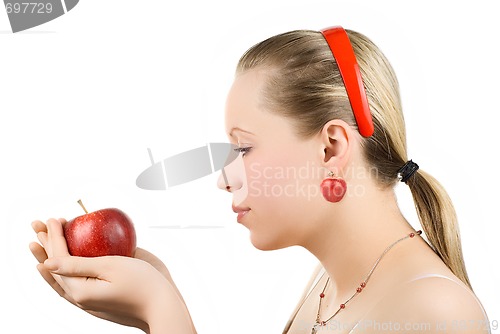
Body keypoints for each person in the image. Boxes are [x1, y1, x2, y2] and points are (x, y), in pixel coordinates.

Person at [30, 26, 490, 333]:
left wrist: (160, 310)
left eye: (243, 148)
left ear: (331, 146)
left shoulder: (436, 312)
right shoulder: (329, 286)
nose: (225, 180)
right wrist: (155, 294)